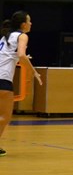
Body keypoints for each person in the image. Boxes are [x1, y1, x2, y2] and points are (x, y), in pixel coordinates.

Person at [0, 11, 43, 157]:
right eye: (29, 21)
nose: (31, 23)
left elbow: (10, 55)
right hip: (2, 79)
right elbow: (21, 55)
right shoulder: (22, 36)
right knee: (4, 117)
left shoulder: (6, 36)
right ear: (23, 24)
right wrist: (33, 71)